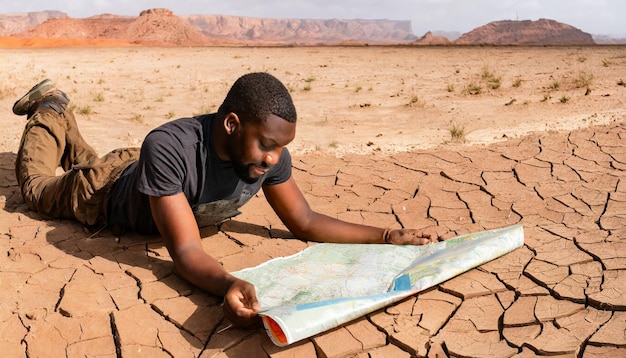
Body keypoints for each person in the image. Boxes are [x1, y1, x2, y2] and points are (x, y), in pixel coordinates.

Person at [12, 73, 434, 327]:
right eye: (266, 145)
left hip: (146, 173)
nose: (273, 159)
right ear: (232, 124)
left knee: (97, 159)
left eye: (280, 149)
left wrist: (386, 234)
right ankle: (50, 108)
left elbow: (303, 221)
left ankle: (64, 123)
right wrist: (229, 284)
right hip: (102, 194)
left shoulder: (269, 157)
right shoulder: (169, 146)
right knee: (36, 186)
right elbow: (186, 248)